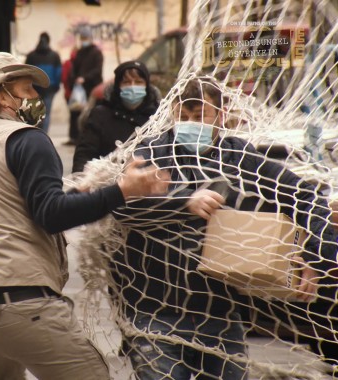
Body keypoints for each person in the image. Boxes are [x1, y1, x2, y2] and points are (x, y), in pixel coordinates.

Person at [0, 52, 170, 380]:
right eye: (28, 89)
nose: (38, 96)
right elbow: (51, 214)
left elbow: (17, 210)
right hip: (19, 303)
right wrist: (123, 190)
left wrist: (85, 191)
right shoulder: (26, 139)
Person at [112, 77, 338, 380]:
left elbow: (308, 197)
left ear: (221, 114)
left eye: (199, 116)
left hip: (221, 313)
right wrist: (183, 202)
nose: (190, 124)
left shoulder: (241, 159)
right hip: (155, 313)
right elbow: (119, 205)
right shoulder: (152, 154)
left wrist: (314, 256)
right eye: (183, 116)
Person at [72, 60, 162, 173]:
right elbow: (84, 154)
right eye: (127, 82)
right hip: (106, 183)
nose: (133, 87)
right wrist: (80, 181)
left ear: (146, 86)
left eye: (138, 82)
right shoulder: (100, 115)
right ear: (118, 86)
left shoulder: (158, 116)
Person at [65, 26, 103, 146]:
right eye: (82, 38)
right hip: (79, 89)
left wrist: (85, 78)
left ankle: (88, 137)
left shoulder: (96, 53)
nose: (84, 40)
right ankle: (74, 137)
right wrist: (74, 79)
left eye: (85, 38)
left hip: (92, 88)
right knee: (75, 111)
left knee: (90, 113)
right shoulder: (79, 53)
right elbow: (73, 68)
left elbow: (97, 70)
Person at [25, 32, 62, 133]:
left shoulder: (31, 56)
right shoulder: (55, 56)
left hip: (34, 88)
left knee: (34, 113)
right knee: (47, 114)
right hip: (50, 89)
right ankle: (43, 134)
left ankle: (35, 133)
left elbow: (26, 73)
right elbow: (58, 73)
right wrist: (56, 86)